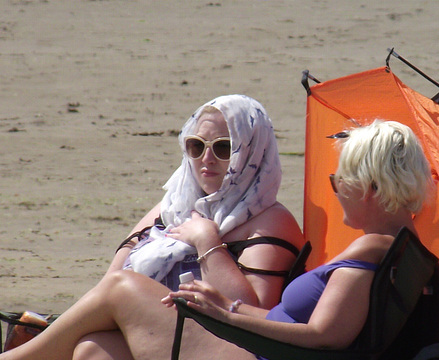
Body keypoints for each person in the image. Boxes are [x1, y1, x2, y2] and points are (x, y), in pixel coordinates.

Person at [0, 120, 433, 360]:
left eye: (341, 180)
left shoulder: (372, 247)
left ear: (372, 188)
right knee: (94, 351)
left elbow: (325, 337)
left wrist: (228, 311)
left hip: (255, 354)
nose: (334, 187)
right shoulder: (399, 248)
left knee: (122, 289)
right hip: (256, 346)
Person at [1, 94, 304, 360]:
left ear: (251, 153)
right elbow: (106, 286)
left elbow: (254, 315)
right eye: (196, 146)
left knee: (123, 288)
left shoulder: (269, 221)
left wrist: (208, 244)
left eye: (223, 148)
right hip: (168, 331)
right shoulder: (171, 207)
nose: (206, 159)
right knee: (94, 348)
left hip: (230, 344)